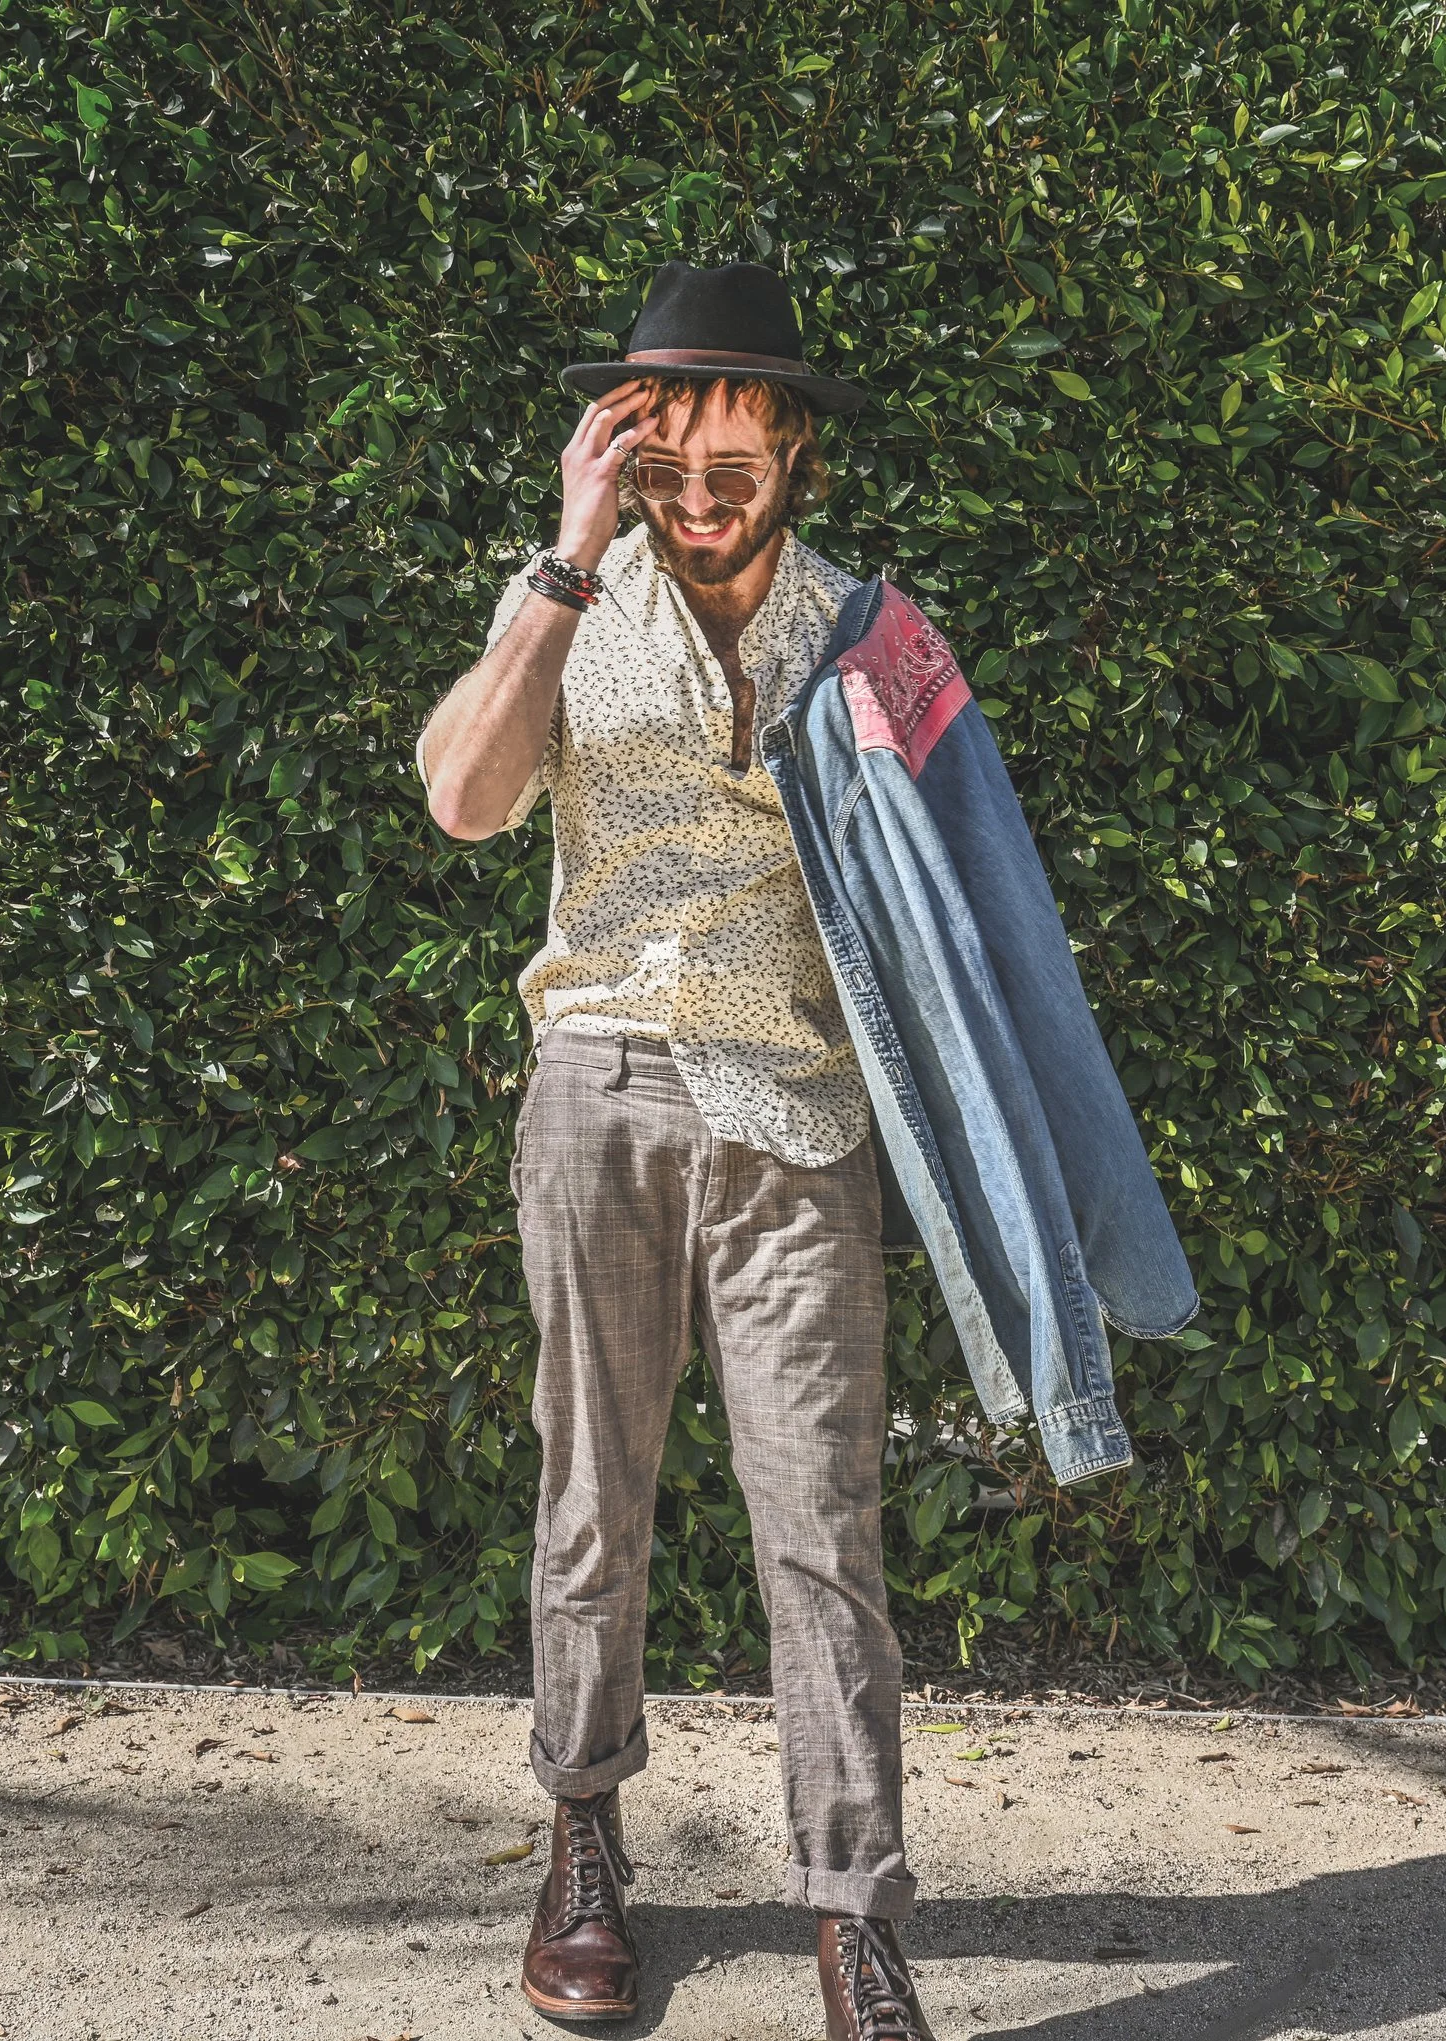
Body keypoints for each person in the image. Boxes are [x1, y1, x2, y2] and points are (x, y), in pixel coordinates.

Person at [417, 261, 937, 2036]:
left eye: (737, 464)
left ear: (794, 448)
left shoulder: (877, 629)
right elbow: (466, 800)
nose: (702, 501)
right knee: (591, 1499)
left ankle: (855, 1913)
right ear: (623, 452)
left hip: (796, 1116)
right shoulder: (568, 593)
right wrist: (567, 556)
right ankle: (582, 1836)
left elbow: (968, 900)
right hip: (600, 1085)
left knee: (823, 1534)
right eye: (668, 466)